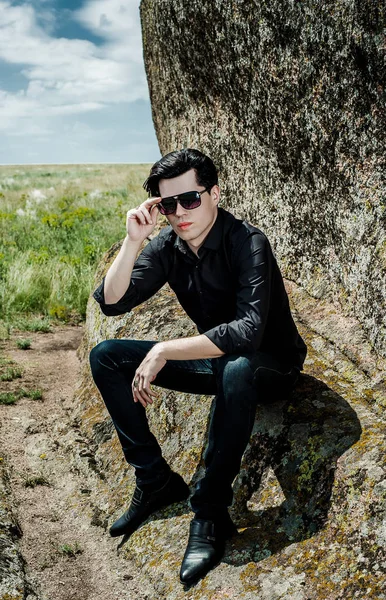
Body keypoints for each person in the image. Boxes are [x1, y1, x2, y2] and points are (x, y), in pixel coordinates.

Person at [89, 148, 307, 588]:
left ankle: (209, 514)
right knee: (106, 355)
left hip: (270, 367)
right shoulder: (168, 246)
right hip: (219, 360)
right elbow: (112, 302)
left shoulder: (248, 242)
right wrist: (134, 241)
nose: (179, 213)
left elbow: (246, 333)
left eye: (190, 199)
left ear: (214, 193)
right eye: (168, 205)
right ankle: (154, 481)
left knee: (237, 368)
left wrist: (165, 348)